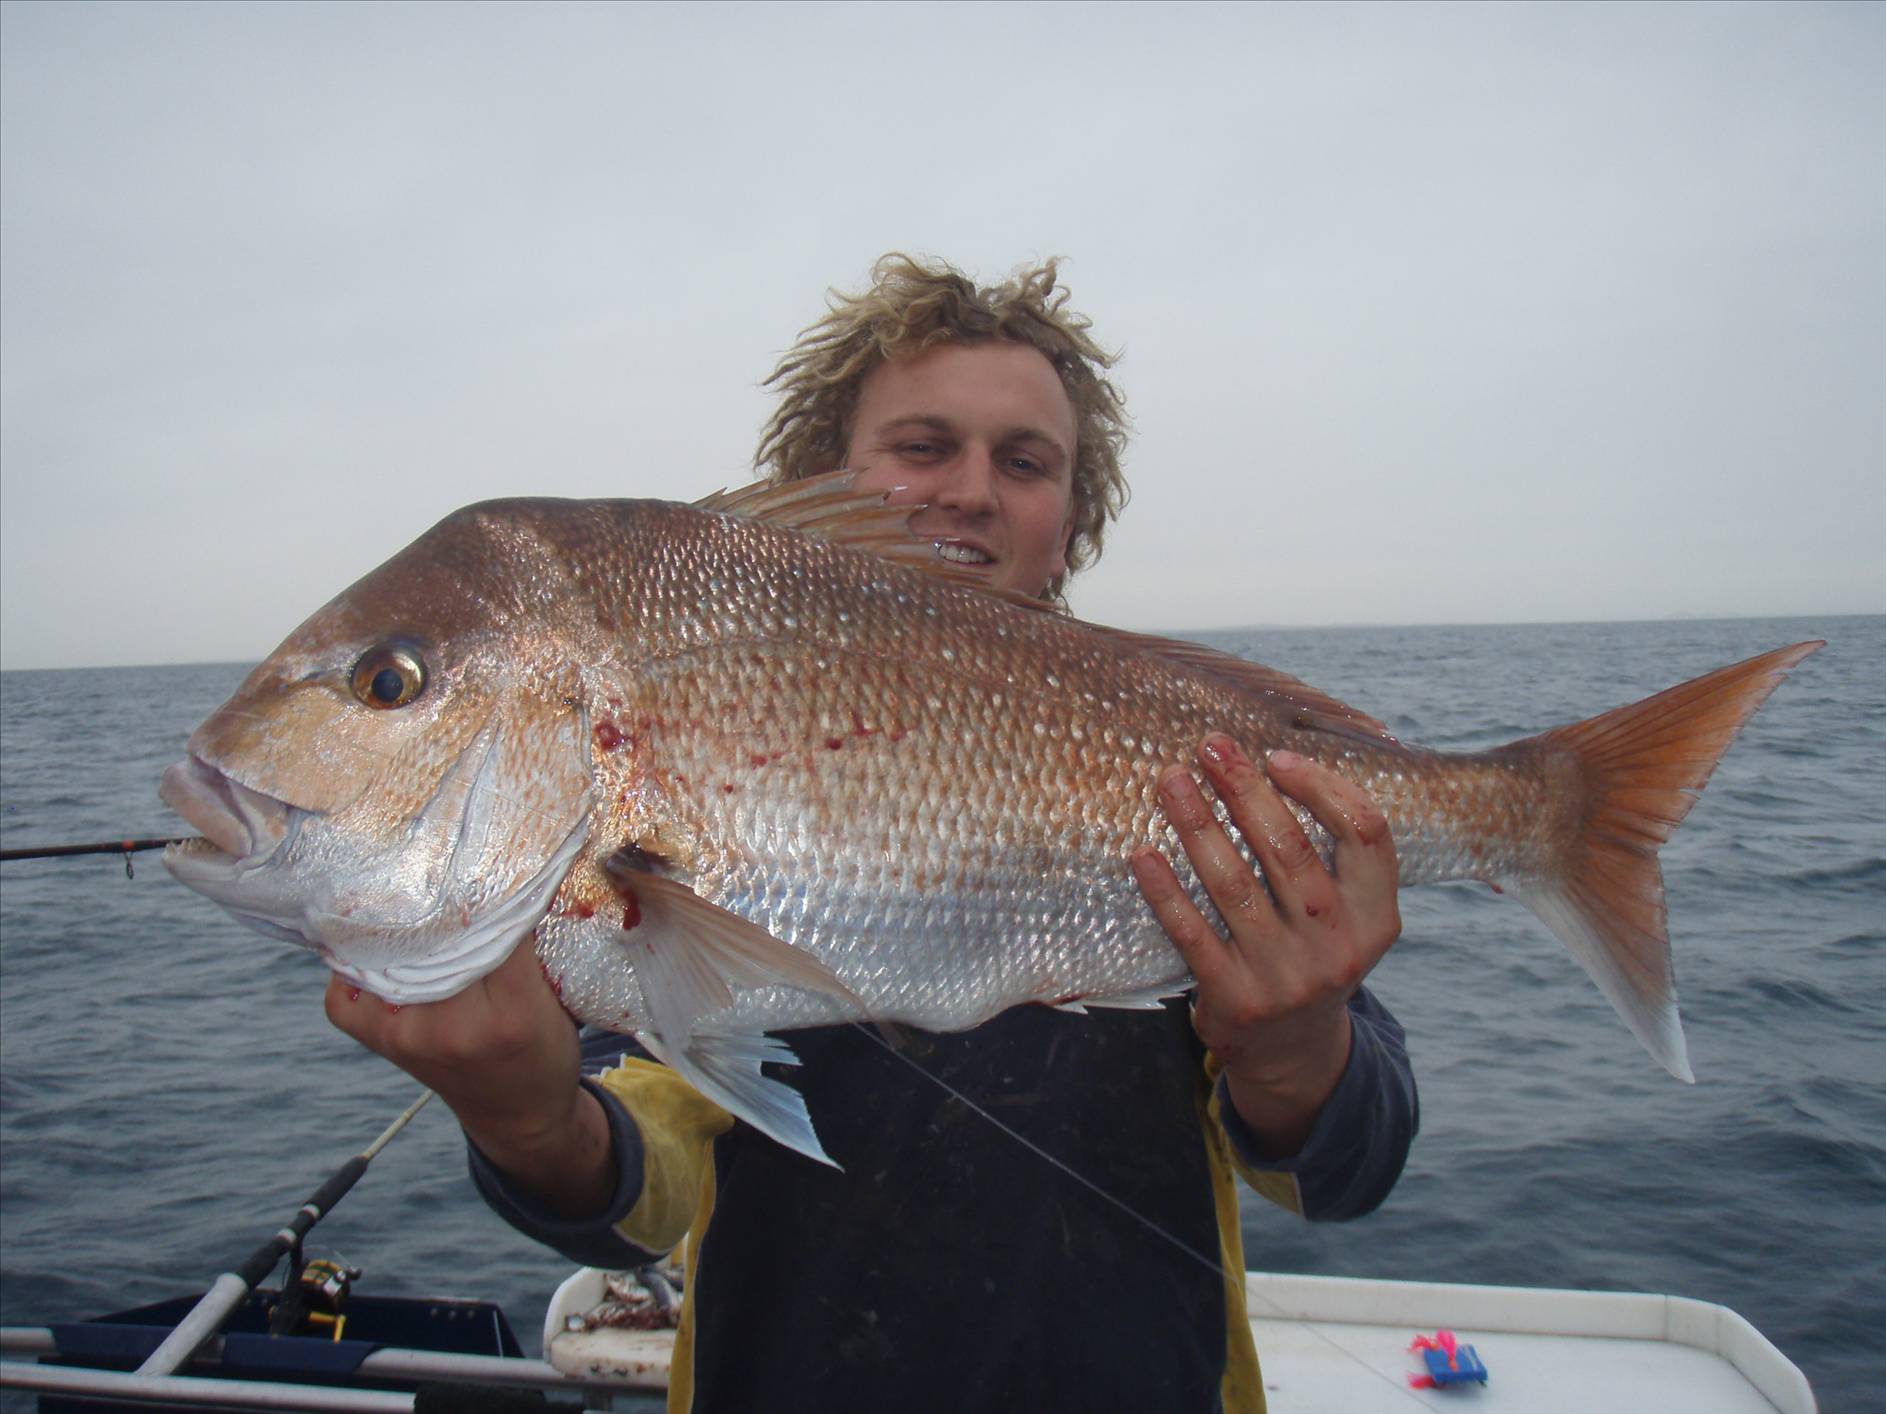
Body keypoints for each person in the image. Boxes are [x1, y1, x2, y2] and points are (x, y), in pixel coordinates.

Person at [327, 255, 1417, 1413]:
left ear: (1068, 520)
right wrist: (529, 1118)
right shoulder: (699, 744)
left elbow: (1344, 1173)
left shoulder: (1185, 764)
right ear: (822, 485)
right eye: (922, 445)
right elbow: (637, 1188)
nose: (970, 490)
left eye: (1024, 461)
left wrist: (1293, 1048)